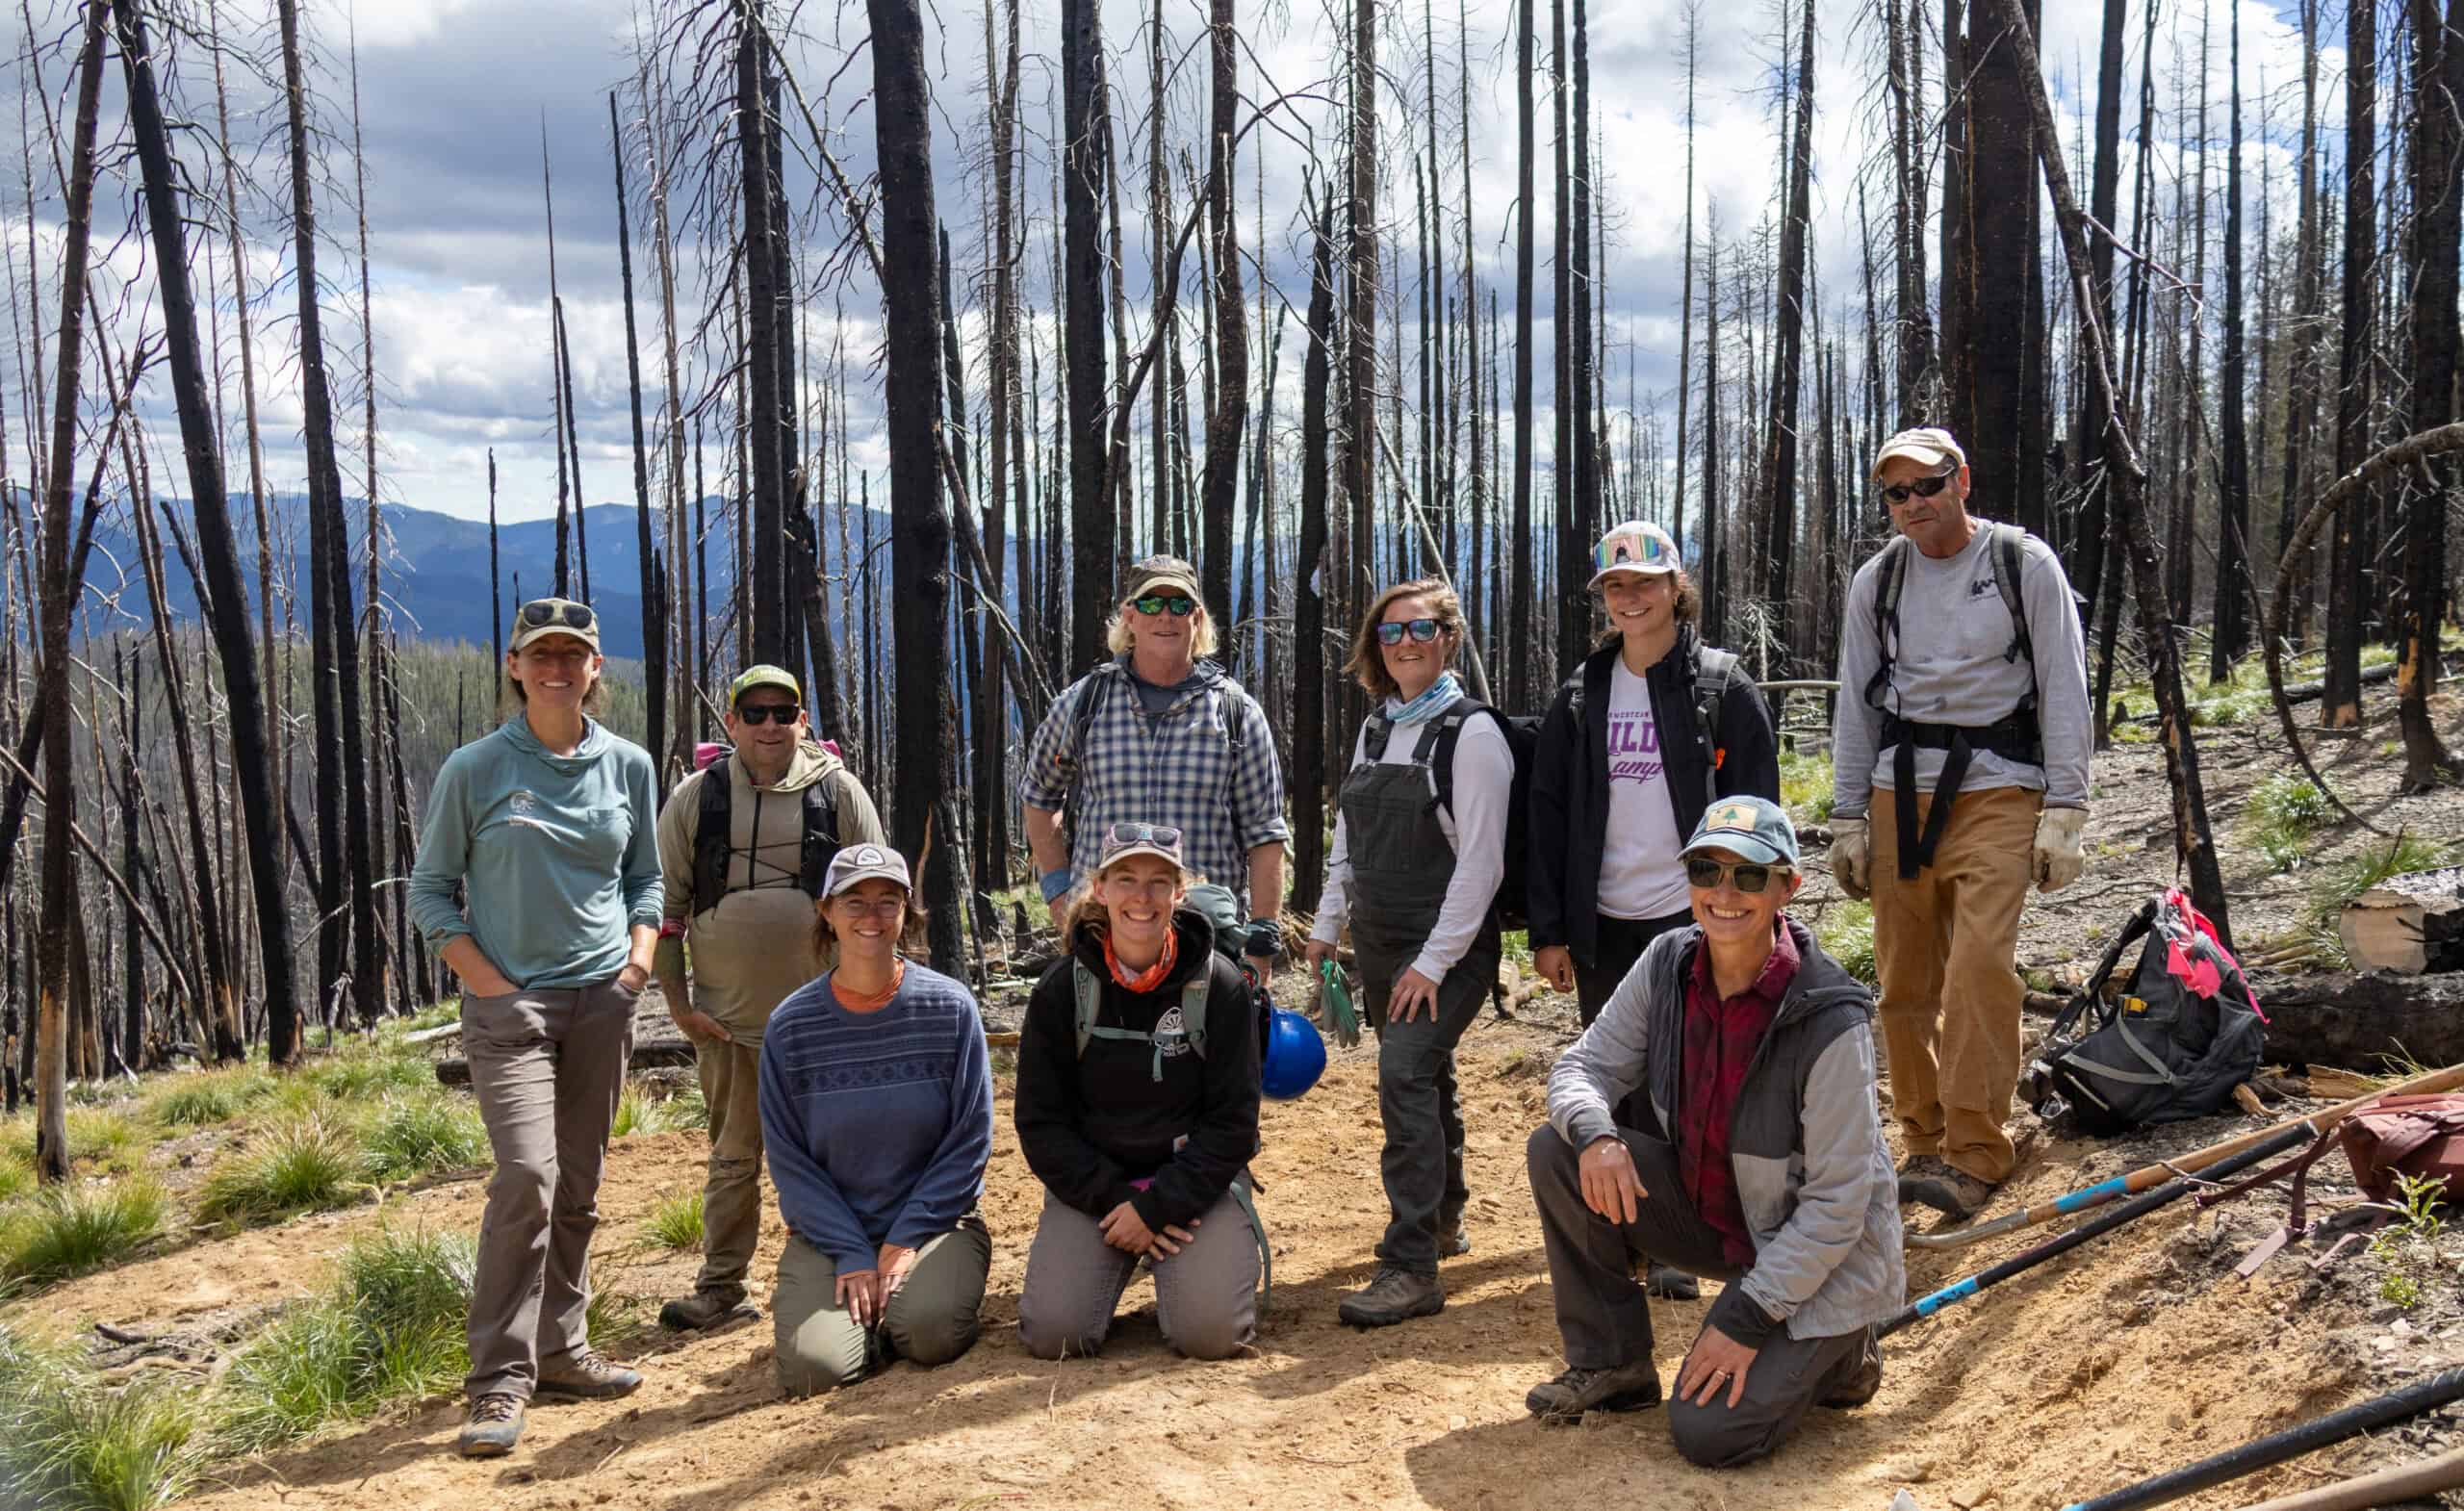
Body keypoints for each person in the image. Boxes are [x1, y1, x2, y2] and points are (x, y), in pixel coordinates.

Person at [1524, 797, 1903, 1467]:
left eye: (1750, 876)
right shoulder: (1667, 962)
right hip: (1719, 1220)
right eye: (1706, 870)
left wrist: (1744, 1318)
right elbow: (1583, 1066)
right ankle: (1614, 1365)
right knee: (1559, 1148)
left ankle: (1844, 1354)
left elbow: (1838, 1207)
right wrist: (1598, 1136)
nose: (1725, 893)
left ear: (1789, 887)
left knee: (1708, 1432)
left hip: (1819, 1259)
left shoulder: (1830, 1017)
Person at [408, 597, 661, 1458]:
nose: (558, 667)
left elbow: (646, 881)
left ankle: (562, 1350)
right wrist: (491, 984)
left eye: (575, 654)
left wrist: (637, 965)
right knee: (526, 1178)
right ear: (514, 667)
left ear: (596, 669)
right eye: (540, 654)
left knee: (579, 1183)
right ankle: (497, 1383)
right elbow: (430, 892)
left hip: (603, 1000)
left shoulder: (628, 765)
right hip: (511, 1009)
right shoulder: (475, 769)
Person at [1829, 428, 2091, 1220]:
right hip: (1897, 788)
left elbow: (2064, 682)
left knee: (1979, 964)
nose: (1914, 505)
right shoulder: (1878, 582)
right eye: (1897, 494)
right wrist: (1847, 817)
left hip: (2000, 786)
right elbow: (1855, 700)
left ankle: (1978, 1147)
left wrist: (2068, 810)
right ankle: (1924, 1139)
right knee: (1905, 975)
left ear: (1962, 481)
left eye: (1928, 486)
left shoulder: (2021, 563)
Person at [1527, 520, 1779, 1300]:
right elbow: (1549, 810)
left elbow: (1760, 808)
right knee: (1618, 1078)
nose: (1629, 598)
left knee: (1693, 1080)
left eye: (1644, 582)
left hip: (1695, 914)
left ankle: (1684, 1241)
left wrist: (1753, 909)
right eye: (1615, 586)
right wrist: (1550, 930)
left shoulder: (1719, 687)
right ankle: (1627, 1231)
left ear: (1676, 587)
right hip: (1604, 917)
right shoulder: (1582, 693)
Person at [651, 664, 887, 1333]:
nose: (769, 725)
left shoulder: (839, 793)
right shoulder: (696, 799)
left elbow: (878, 897)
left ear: (802, 721)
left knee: (842, 1152)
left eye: (783, 712)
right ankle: (722, 1288)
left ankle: (853, 1269)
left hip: (830, 1021)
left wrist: (874, 1000)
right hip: (727, 1026)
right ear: (730, 723)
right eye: (753, 713)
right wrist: (679, 1005)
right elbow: (665, 907)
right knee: (733, 1158)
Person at [1302, 579, 1507, 1327]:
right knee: (1428, 1073)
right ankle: (1446, 1215)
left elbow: (1482, 866)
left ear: (1449, 638)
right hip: (1383, 940)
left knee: (1405, 1069)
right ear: (1375, 648)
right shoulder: (1376, 730)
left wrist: (1433, 964)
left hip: (1448, 946)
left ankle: (1411, 1262)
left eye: (1421, 630)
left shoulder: (1472, 735)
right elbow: (1348, 848)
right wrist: (1327, 927)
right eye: (1391, 634)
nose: (1407, 644)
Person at [1014, 823, 1265, 1361]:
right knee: (1056, 1336)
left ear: (1180, 892)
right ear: (1100, 890)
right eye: (1125, 878)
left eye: (1159, 881)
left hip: (1196, 1182)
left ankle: (1190, 1266)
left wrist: (1158, 1207)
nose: (1142, 897)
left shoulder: (1219, 987)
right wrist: (1120, 1202)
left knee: (1210, 1336)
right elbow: (1041, 1123)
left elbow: (1234, 1123)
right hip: (1095, 1189)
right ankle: (1111, 1260)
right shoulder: (1062, 990)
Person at [759, 844, 995, 1396]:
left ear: (907, 911)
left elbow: (970, 1139)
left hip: (937, 1226)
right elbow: (790, 1162)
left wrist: (907, 1236)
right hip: (830, 1235)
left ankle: (892, 1315)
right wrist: (850, 1251)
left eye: (888, 901)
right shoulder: (790, 1027)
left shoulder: (951, 1008)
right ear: (826, 912)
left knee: (930, 1334)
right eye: (855, 901)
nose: (872, 917)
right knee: (815, 1372)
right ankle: (858, 1322)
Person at [1019, 555, 1290, 978]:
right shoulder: (1083, 703)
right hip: (1101, 933)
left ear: (1196, 618)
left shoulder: (1236, 713)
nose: (1165, 616)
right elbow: (1039, 795)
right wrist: (1059, 891)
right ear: (1129, 616)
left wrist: (1263, 937)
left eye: (1179, 605)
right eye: (1150, 604)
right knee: (1101, 1044)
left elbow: (1265, 833)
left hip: (1204, 936)